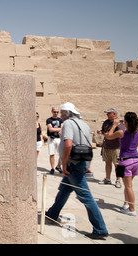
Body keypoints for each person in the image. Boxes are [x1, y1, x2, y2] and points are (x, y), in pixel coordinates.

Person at [46, 102, 108, 240]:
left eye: (62, 112)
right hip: (82, 161)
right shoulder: (84, 124)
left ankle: (100, 228)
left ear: (67, 113)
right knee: (64, 189)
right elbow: (88, 145)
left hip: (73, 164)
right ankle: (52, 213)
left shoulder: (68, 124)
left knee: (86, 197)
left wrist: (65, 164)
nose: (61, 115)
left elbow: (68, 144)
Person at [105, 112, 138, 216]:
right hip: (136, 160)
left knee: (128, 186)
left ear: (126, 121)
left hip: (126, 161)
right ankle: (126, 204)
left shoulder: (122, 132)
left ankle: (132, 208)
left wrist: (114, 125)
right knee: (128, 185)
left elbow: (108, 136)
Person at [100, 108, 125, 188]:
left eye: (109, 113)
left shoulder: (120, 123)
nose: (107, 115)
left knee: (117, 164)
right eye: (107, 113)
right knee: (107, 162)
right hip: (107, 145)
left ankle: (118, 180)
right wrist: (103, 133)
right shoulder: (106, 122)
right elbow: (103, 130)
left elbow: (121, 133)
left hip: (116, 147)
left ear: (114, 114)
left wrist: (110, 134)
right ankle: (107, 178)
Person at [46, 107, 64, 174]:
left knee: (61, 153)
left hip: (58, 138)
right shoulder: (49, 120)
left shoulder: (60, 120)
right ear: (52, 112)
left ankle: (58, 166)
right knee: (52, 153)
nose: (56, 113)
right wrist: (59, 129)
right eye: (54, 112)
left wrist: (57, 129)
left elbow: (62, 128)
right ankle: (52, 168)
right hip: (51, 138)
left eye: (57, 112)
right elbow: (50, 129)